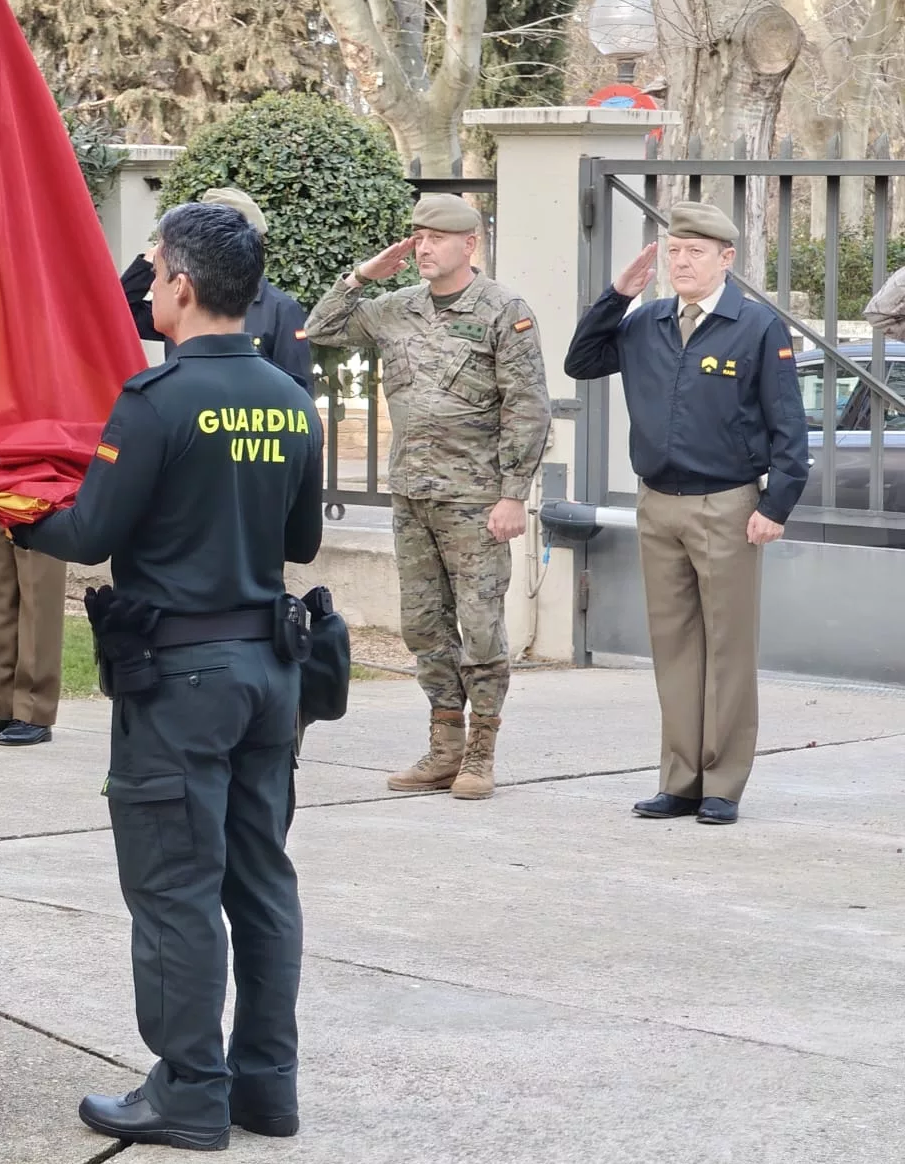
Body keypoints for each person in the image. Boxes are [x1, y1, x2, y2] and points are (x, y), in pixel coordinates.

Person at [14, 202, 322, 1152]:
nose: (147, 290)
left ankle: (190, 1088)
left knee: (176, 887)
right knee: (261, 880)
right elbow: (302, 540)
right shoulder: (289, 397)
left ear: (183, 288)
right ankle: (265, 1086)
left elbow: (92, 534)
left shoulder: (154, 401)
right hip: (271, 671)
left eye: (152, 275)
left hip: (182, 679)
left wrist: (17, 512)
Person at [563, 201, 807, 827]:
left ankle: (723, 781)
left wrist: (775, 504)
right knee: (674, 647)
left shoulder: (754, 326)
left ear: (726, 258)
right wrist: (616, 294)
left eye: (694, 252)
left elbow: (788, 423)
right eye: (673, 252)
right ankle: (681, 779)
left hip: (727, 505)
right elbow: (581, 362)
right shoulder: (645, 323)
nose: (680, 262)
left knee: (727, 648)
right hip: (659, 504)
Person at [303, 193, 550, 800]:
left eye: (437, 237)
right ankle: (443, 748)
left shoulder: (503, 311)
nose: (424, 247)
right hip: (412, 494)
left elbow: (528, 406)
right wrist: (364, 275)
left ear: (470, 244)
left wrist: (513, 494)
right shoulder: (396, 308)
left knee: (481, 626)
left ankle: (480, 751)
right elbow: (320, 327)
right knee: (423, 625)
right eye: (417, 236)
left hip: (476, 499)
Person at [120, 187, 313, 392]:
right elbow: (119, 315)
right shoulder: (183, 301)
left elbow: (299, 391)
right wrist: (152, 262)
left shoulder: (280, 309)